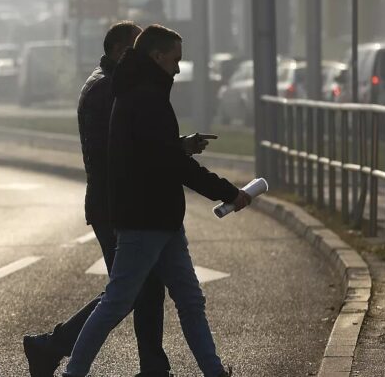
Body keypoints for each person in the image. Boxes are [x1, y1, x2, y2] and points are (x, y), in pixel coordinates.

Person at [61, 24, 251, 377]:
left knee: (190, 300)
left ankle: (214, 371)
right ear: (157, 56)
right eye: (176, 60)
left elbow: (155, 151)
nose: (179, 69)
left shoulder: (140, 91)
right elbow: (172, 163)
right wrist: (229, 192)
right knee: (116, 302)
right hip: (144, 219)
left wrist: (181, 151)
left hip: (161, 219)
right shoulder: (144, 96)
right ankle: (74, 372)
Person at [23, 20, 174, 377]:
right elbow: (122, 149)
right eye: (138, 50)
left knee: (141, 287)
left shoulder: (105, 83)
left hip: (112, 203)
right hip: (114, 206)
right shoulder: (108, 89)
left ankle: (152, 367)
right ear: (122, 51)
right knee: (131, 289)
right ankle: (52, 346)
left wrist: (174, 146)